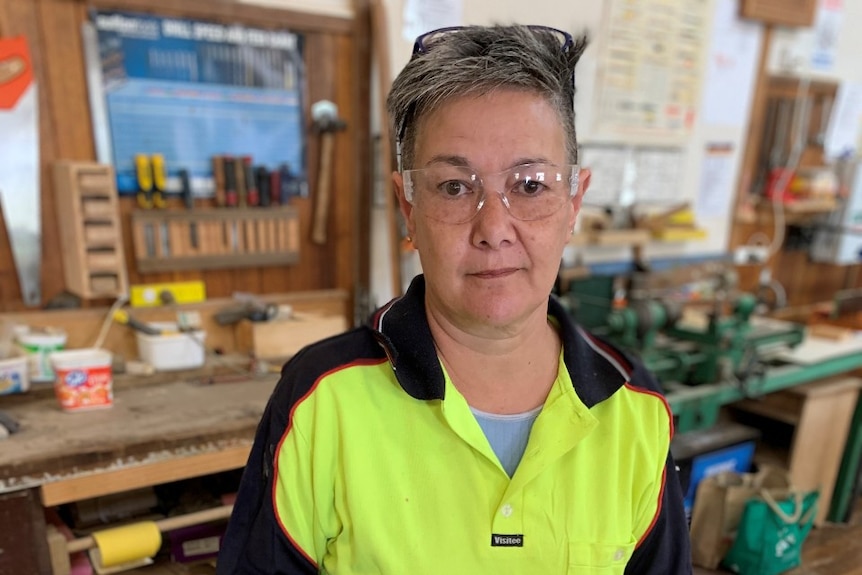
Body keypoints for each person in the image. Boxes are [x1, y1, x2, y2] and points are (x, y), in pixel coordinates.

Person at [217, 24, 692, 574]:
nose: (493, 228)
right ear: (407, 207)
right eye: (453, 187)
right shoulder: (321, 401)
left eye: (530, 185)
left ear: (574, 202)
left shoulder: (634, 409)